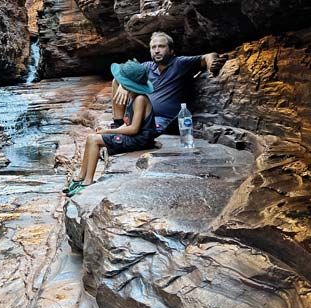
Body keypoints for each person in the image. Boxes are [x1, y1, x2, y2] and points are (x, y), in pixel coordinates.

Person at [64, 60, 157, 197]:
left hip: (140, 140)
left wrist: (108, 131)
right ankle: (80, 178)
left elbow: (133, 129)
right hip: (135, 137)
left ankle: (88, 182)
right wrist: (106, 130)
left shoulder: (140, 100)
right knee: (91, 138)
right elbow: (128, 124)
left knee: (96, 140)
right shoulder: (133, 96)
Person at [112, 31, 226, 134]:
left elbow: (209, 56)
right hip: (142, 114)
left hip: (164, 120)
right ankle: (118, 124)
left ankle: (123, 130)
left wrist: (212, 64)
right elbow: (122, 74)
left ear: (171, 50)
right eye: (153, 47)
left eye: (161, 46)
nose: (157, 50)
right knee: (115, 82)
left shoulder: (180, 64)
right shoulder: (146, 67)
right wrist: (123, 85)